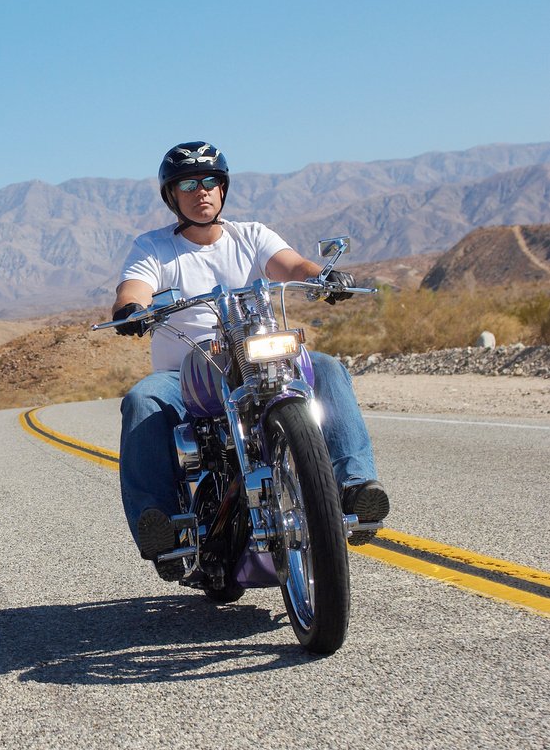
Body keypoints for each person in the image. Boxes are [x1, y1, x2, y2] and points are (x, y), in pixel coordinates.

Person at [112, 141, 389, 580]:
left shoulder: (252, 235)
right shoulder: (154, 248)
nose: (200, 192)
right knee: (142, 399)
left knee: (329, 368)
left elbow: (292, 265)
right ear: (172, 195)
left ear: (222, 189)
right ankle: (160, 524)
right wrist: (131, 309)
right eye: (188, 184)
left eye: (209, 182)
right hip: (187, 371)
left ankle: (356, 487)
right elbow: (135, 286)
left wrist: (324, 276)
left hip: (256, 355)